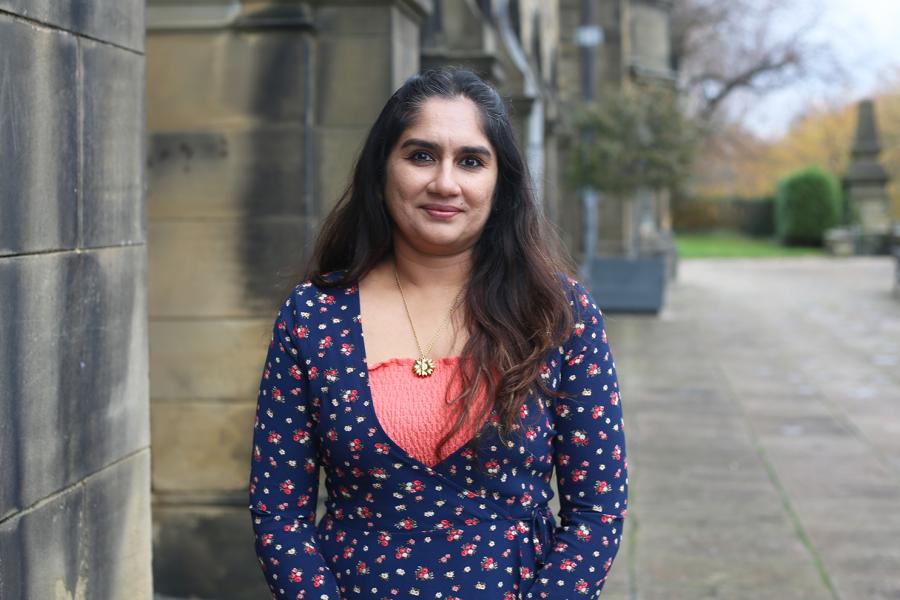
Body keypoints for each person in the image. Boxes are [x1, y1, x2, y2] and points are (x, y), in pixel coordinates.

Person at [247, 66, 627, 599]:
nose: (444, 182)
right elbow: (278, 511)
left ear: (501, 182)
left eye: (471, 161)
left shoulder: (556, 313)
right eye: (421, 155)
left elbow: (598, 511)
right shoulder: (313, 316)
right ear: (383, 170)